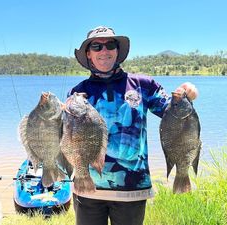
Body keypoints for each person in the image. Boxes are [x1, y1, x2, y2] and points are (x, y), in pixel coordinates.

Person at [68, 26, 198, 225]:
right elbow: (68, 138)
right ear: (89, 54)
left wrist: (186, 93)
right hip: (88, 189)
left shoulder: (143, 85)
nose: (104, 51)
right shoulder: (78, 93)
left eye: (110, 45)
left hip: (132, 190)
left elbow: (172, 113)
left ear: (117, 51)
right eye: (96, 46)